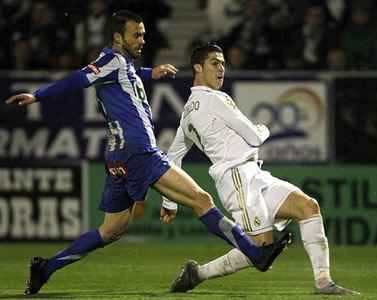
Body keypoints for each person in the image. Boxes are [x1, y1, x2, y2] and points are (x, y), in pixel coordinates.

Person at [5, 10, 291, 296]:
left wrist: (148, 73)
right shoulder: (109, 62)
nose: (143, 40)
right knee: (201, 199)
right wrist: (38, 95)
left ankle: (45, 268)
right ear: (118, 37)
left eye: (143, 34)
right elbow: (79, 80)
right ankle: (256, 254)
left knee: (110, 231)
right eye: (136, 35)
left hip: (117, 157)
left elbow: (121, 73)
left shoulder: (121, 65)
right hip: (139, 152)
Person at [165, 42, 360, 295]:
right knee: (260, 250)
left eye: (223, 63)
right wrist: (263, 128)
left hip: (253, 174)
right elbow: (255, 138)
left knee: (307, 206)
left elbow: (172, 156)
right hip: (237, 178)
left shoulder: (188, 112)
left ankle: (324, 282)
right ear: (197, 68)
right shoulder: (214, 99)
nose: (221, 68)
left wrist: (170, 202)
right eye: (215, 63)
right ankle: (197, 273)